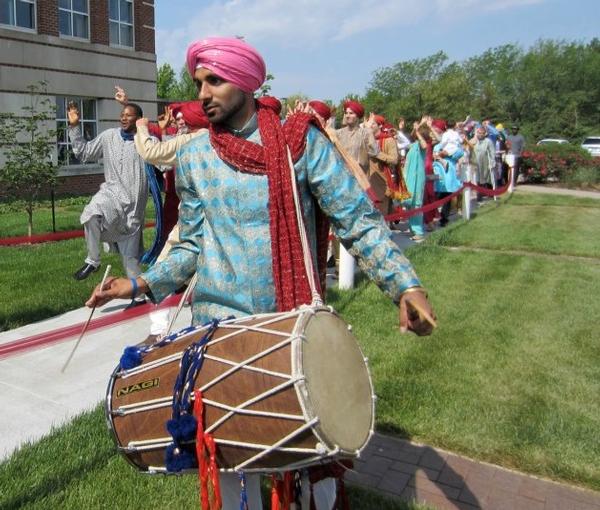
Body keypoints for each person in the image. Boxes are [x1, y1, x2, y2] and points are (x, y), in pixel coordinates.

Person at [86, 36, 435, 510]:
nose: (203, 93)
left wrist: (404, 285)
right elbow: (190, 243)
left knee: (312, 465)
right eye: (198, 83)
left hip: (290, 326)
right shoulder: (192, 157)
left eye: (215, 81)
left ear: (248, 83)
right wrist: (142, 282)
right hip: (218, 330)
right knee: (229, 462)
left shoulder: (299, 143)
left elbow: (357, 219)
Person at [69, 101, 150, 296]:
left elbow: (165, 160)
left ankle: (140, 297)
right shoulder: (108, 136)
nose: (123, 117)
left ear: (138, 120)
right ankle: (93, 260)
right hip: (111, 196)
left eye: (128, 115)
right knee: (91, 214)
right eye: (122, 114)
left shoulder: (146, 141)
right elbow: (85, 152)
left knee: (130, 261)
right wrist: (74, 126)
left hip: (132, 210)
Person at [335, 99, 379, 175]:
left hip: (360, 179)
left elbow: (374, 153)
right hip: (342, 177)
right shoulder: (338, 133)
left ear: (358, 116)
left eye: (351, 113)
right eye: (346, 113)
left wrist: (369, 130)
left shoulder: (365, 133)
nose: (347, 116)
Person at [368, 114, 399, 215]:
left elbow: (394, 160)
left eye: (372, 124)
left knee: (382, 215)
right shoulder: (366, 140)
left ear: (380, 126)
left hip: (382, 182)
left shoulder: (389, 140)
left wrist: (378, 154)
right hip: (367, 181)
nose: (369, 126)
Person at [471, 126, 496, 203]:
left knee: (486, 179)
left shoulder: (488, 141)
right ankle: (479, 195)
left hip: (485, 162)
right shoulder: (475, 141)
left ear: (485, 134)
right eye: (479, 133)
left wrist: (492, 163)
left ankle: (491, 193)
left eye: (482, 133)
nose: (480, 135)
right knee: (478, 179)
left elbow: (492, 152)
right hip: (476, 162)